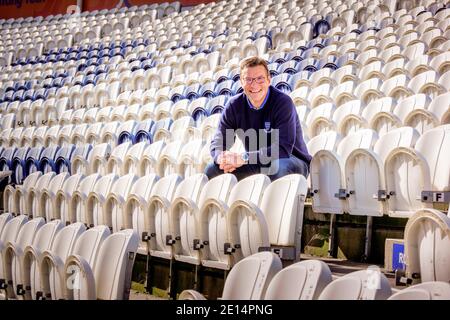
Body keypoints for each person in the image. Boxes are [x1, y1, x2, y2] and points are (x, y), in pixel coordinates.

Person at [205, 56, 311, 181]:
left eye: (260, 79)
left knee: (276, 166)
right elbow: (218, 142)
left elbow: (282, 148)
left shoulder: (282, 102)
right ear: (241, 81)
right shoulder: (234, 105)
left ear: (268, 80)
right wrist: (222, 158)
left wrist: (244, 158)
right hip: (256, 160)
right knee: (212, 169)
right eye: (248, 79)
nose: (254, 84)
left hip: (291, 159)